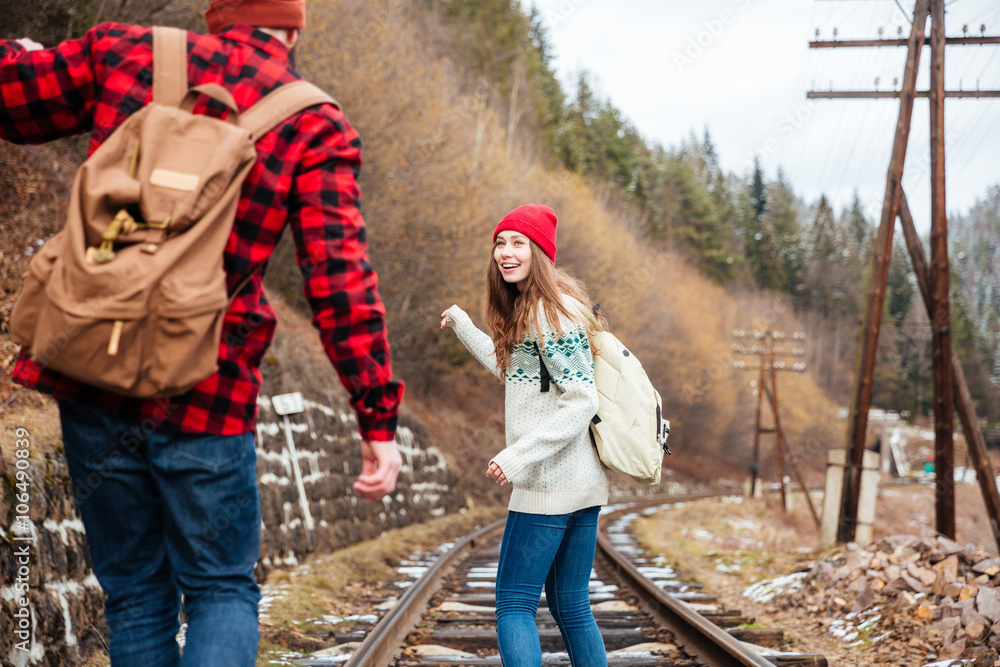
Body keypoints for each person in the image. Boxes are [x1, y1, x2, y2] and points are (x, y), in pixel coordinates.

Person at [0, 1, 404, 664]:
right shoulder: (311, 121)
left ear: (217, 15)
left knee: (134, 594)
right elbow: (339, 280)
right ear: (293, 25)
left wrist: (17, 52)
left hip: (91, 363)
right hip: (205, 387)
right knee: (219, 588)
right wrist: (376, 417)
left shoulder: (126, 52)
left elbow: (15, 97)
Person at [440, 204, 609, 666]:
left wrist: (518, 456)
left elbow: (581, 398)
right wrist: (463, 325)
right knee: (571, 608)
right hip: (581, 483)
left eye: (519, 243)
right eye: (501, 242)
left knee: (514, 606)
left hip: (549, 484)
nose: (505, 252)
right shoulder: (550, 309)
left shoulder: (548, 314)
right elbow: (515, 372)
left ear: (540, 253)